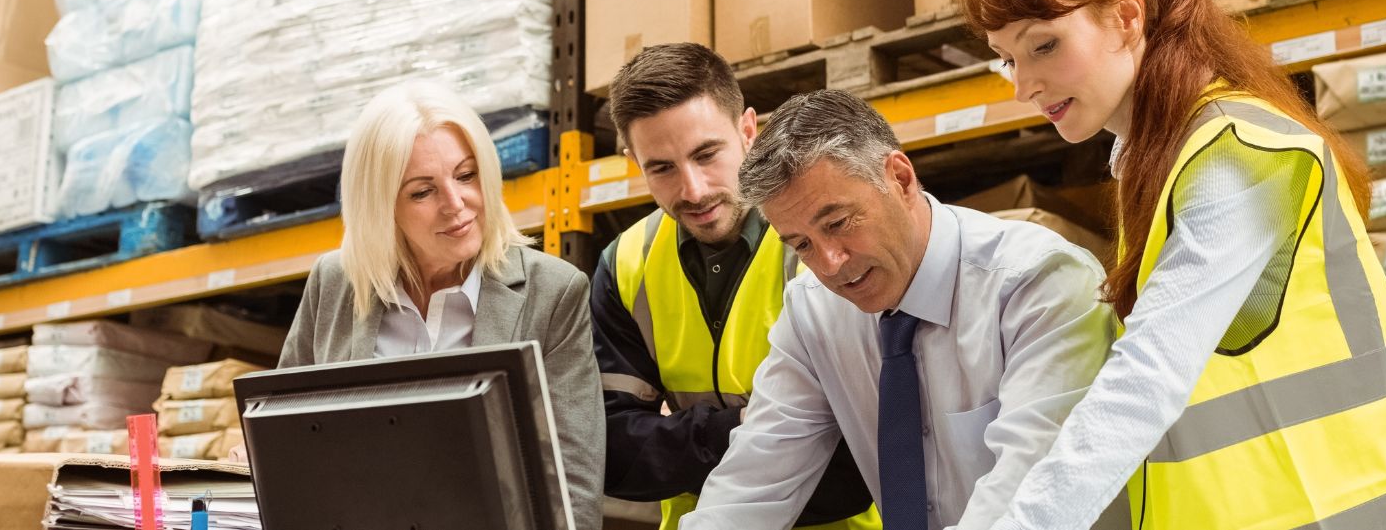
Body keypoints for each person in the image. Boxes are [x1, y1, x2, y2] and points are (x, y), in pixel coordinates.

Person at [954, 0, 1386, 529]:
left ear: (1127, 15)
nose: (1023, 85)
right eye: (1007, 59)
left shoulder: (1234, 156)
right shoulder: (1158, 160)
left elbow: (1148, 377)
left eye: (1044, 45)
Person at [680, 89, 1129, 530]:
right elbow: (753, 478)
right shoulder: (813, 312)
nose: (830, 264)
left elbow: (1026, 494)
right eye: (802, 244)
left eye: (838, 223)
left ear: (900, 178)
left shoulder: (1039, 282)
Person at [268, 81, 606, 530]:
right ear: (381, 206)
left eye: (466, 176)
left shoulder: (554, 292)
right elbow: (284, 439)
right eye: (422, 192)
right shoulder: (335, 281)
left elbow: (573, 486)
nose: (455, 204)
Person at [590, 43, 881, 530]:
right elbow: (609, 451)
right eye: (662, 168)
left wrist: (677, 442)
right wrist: (744, 429)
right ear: (633, 162)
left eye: (706, 155)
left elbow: (852, 458)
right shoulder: (625, 266)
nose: (694, 190)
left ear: (748, 131)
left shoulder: (819, 248)